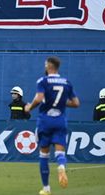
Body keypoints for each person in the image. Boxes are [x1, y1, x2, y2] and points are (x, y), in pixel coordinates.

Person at [24, 55, 79, 194]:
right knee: (60, 152)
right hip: (60, 120)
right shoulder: (67, 82)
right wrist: (61, 102)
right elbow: (76, 103)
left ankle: (46, 188)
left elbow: (39, 98)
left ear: (49, 66)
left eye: (45, 65)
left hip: (45, 120)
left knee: (44, 155)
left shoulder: (43, 81)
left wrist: (29, 107)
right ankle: (61, 166)